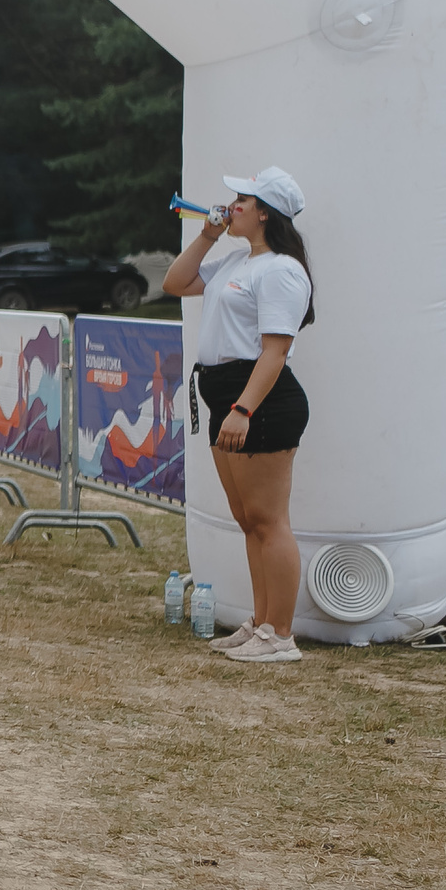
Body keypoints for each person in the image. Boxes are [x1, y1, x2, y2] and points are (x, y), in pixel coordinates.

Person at [163, 168, 316, 662]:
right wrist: (208, 234)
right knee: (249, 521)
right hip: (225, 395)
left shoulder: (281, 270)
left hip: (259, 400)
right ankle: (261, 623)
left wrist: (243, 408)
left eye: (241, 200)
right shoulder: (234, 260)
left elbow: (275, 353)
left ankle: (282, 635)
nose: (232, 206)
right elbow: (175, 282)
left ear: (265, 212)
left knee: (270, 521)